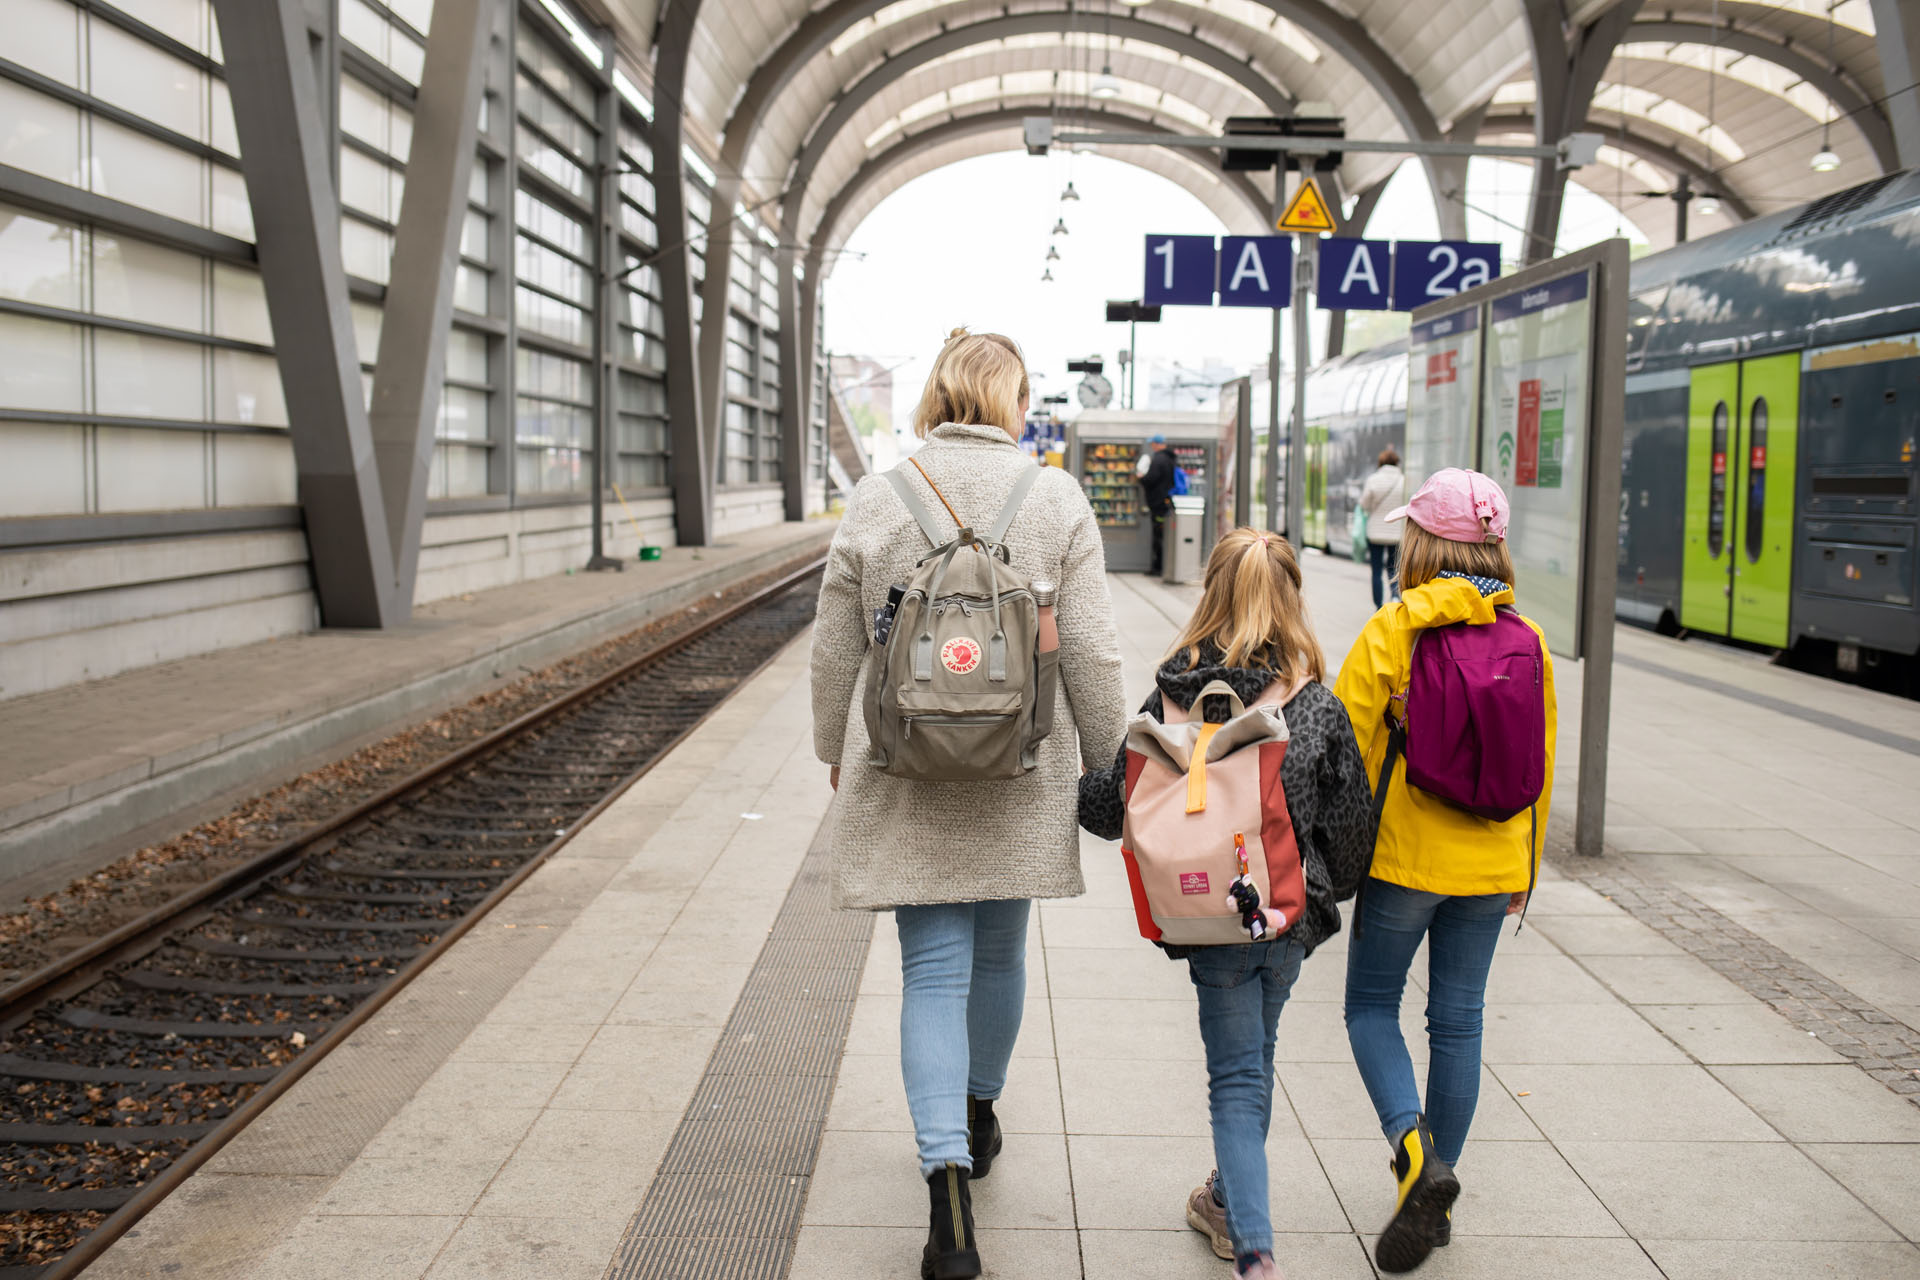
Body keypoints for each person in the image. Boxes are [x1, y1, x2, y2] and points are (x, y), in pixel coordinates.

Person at [810, 328, 1126, 1280]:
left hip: (908, 773)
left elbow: (834, 650)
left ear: (937, 396)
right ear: (1013, 401)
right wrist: (1110, 766)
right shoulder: (1056, 497)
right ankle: (979, 1111)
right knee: (1000, 955)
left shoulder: (877, 495)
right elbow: (1097, 656)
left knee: (931, 974)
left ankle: (946, 1195)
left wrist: (836, 749)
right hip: (1021, 775)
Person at [1077, 529, 1373, 1280]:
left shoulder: (1170, 699)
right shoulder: (1314, 704)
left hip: (1203, 921)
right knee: (1256, 1062)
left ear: (1210, 592)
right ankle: (1226, 1203)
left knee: (1238, 1075)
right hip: (1281, 919)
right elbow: (1350, 842)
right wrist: (1317, 891)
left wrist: (1065, 774)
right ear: (1291, 599)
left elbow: (1112, 809)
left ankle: (1252, 1246)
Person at [1333, 469, 1557, 1274]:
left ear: (1422, 544)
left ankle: (1415, 1158)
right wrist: (1526, 867)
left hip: (1405, 859)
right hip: (1496, 857)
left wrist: (1330, 850)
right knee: (1458, 1021)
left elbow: (1343, 747)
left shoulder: (1396, 628)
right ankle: (1438, 1192)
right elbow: (1541, 759)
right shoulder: (1525, 636)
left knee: (1369, 1009)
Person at [1357, 447, 1406, 609]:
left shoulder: (1373, 479)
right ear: (1396, 463)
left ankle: (1379, 606)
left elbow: (1364, 504)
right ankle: (1394, 596)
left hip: (1376, 532)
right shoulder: (1403, 480)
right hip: (1396, 533)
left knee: (1376, 571)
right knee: (1394, 569)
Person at [1139, 434, 1178, 576]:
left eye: (1153, 444)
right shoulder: (1170, 458)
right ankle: (1163, 565)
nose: (1151, 447)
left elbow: (1151, 479)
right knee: (1163, 534)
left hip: (1158, 504)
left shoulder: (1159, 459)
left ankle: (1158, 567)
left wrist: (1141, 478)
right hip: (1165, 502)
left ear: (1157, 444)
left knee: (1158, 535)